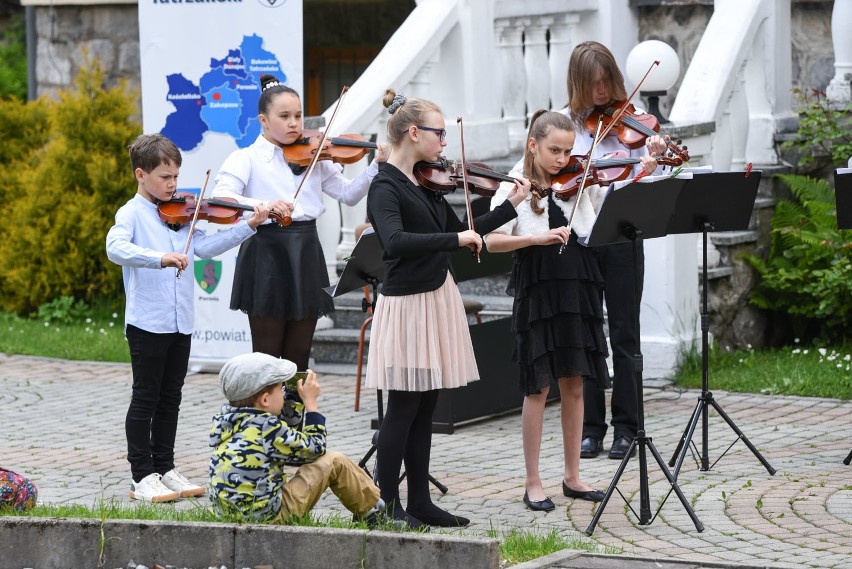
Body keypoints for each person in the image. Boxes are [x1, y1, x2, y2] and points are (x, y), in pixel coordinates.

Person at [365, 88, 530, 528]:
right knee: (402, 407)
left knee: (427, 406)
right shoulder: (384, 185)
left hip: (436, 296)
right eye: (439, 133)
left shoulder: (425, 183)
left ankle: (420, 501)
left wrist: (509, 204)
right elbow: (395, 243)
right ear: (414, 133)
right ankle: (387, 506)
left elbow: (462, 231)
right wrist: (456, 239)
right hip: (406, 304)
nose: (444, 142)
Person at [486, 110, 638, 510]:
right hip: (538, 288)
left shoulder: (577, 180)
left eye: (569, 151)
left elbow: (612, 196)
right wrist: (536, 240)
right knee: (538, 387)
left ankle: (572, 476)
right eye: (555, 150)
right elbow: (492, 241)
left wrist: (646, 166)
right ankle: (533, 481)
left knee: (575, 382)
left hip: (579, 282)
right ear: (533, 145)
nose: (563, 159)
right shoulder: (514, 186)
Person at [106, 133, 269, 503]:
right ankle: (140, 475)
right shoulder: (131, 213)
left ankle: (164, 467)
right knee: (146, 397)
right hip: (148, 322)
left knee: (171, 397)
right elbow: (114, 248)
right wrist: (159, 257)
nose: (173, 185)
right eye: (165, 178)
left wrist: (248, 227)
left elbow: (207, 248)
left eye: (176, 177)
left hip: (181, 322)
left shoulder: (182, 216)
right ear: (140, 175)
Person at [211, 74, 389, 371]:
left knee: (299, 356)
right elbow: (222, 198)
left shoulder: (316, 155)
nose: (294, 123)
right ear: (264, 121)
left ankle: (296, 414)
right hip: (266, 251)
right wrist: (264, 206)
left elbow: (348, 194)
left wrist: (374, 168)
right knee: (266, 358)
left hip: (305, 249)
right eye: (284, 116)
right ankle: (265, 415)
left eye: (298, 115)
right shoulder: (246, 158)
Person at [565, 41, 669, 461]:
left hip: (624, 236)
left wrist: (656, 162)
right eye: (593, 84)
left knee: (626, 333)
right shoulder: (565, 122)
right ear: (579, 84)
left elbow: (657, 180)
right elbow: (560, 175)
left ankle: (628, 427)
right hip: (585, 238)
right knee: (590, 337)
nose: (602, 92)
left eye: (607, 81)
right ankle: (591, 429)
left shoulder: (635, 121)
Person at [208, 352, 386, 525]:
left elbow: (287, 445)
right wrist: (311, 405)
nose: (284, 393)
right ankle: (373, 513)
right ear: (264, 400)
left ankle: (371, 506)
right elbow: (315, 449)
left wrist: (292, 404)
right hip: (268, 518)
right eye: (281, 388)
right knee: (335, 461)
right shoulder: (268, 428)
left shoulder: (227, 421)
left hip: (228, 515)